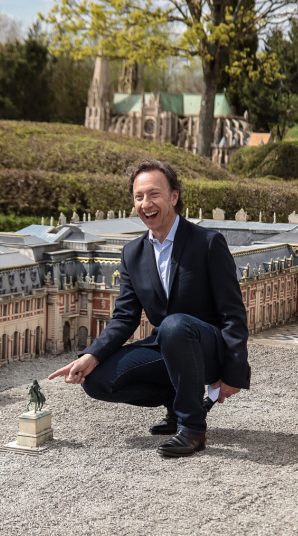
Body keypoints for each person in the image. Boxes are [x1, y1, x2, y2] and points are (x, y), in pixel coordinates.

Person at [48, 159, 250, 457]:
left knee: (174, 325)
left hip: (208, 349)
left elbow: (233, 313)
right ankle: (177, 402)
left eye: (154, 194)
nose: (146, 203)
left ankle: (192, 428)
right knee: (96, 381)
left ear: (174, 197)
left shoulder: (207, 243)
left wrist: (235, 372)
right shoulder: (132, 252)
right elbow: (125, 317)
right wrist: (90, 356)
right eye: (139, 196)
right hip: (166, 343)